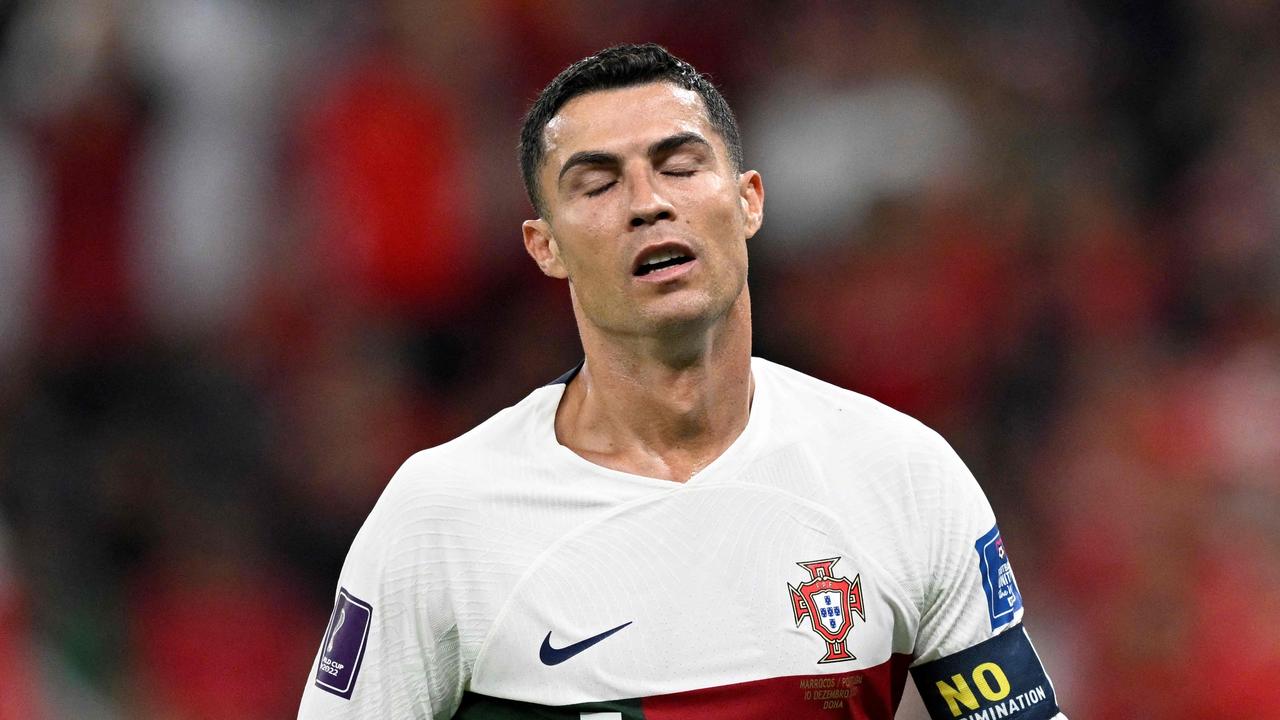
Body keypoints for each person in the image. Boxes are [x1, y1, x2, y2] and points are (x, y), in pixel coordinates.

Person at [298, 43, 1066, 720]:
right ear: (545, 247)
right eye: (597, 185)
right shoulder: (443, 516)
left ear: (749, 200)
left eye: (679, 165)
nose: (648, 203)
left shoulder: (903, 477)